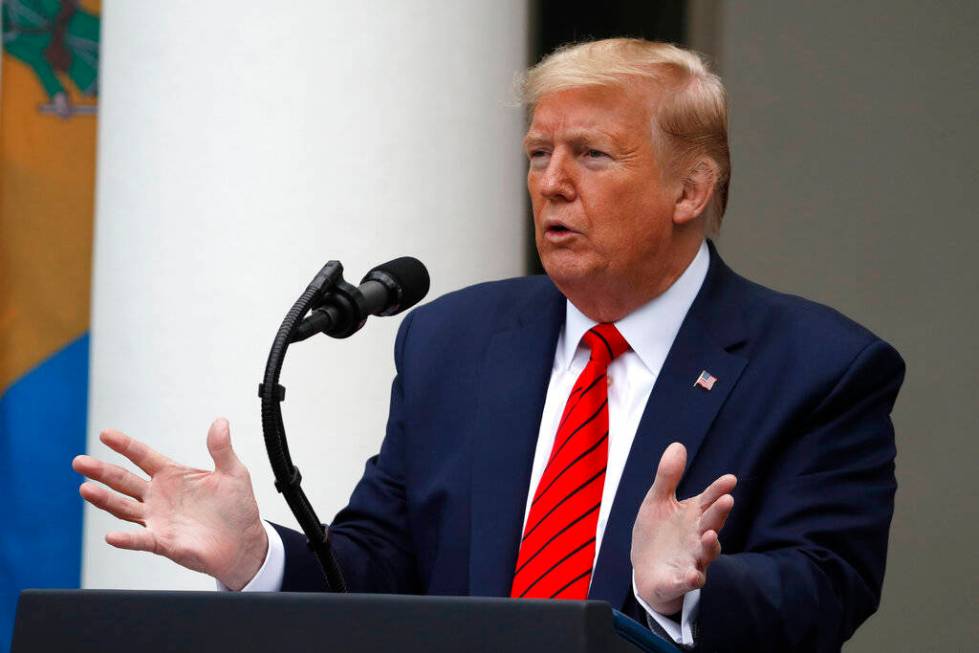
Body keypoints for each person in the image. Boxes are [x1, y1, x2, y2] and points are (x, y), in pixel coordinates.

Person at [72, 39, 904, 652]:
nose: (551, 182)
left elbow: (825, 587)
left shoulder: (817, 367)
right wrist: (261, 557)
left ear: (690, 188)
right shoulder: (453, 340)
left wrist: (686, 588)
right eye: (539, 153)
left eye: (591, 155)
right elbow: (387, 564)